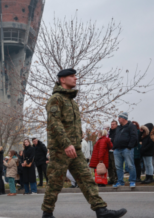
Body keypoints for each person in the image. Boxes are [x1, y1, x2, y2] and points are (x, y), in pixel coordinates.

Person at [42, 68, 126, 218]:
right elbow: (54, 124)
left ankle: (101, 211)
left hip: (75, 149)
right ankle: (47, 214)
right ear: (62, 79)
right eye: (72, 76)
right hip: (61, 149)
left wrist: (76, 142)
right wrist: (66, 144)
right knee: (55, 182)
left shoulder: (72, 102)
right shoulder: (56, 99)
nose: (75, 78)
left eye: (75, 76)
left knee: (87, 179)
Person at [112, 112, 138, 189]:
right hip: (117, 150)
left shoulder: (131, 126)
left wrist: (129, 147)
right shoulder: (119, 128)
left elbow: (134, 137)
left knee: (130, 165)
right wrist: (114, 147)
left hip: (127, 149)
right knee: (118, 166)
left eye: (119, 118)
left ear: (124, 118)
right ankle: (120, 181)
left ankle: (132, 181)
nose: (118, 119)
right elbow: (115, 137)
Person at [108, 120, 118, 185]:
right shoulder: (109, 132)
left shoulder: (118, 131)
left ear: (116, 125)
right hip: (109, 151)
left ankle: (117, 179)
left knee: (115, 166)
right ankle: (111, 179)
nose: (112, 125)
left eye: (113, 124)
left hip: (115, 150)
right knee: (109, 166)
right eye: (111, 124)